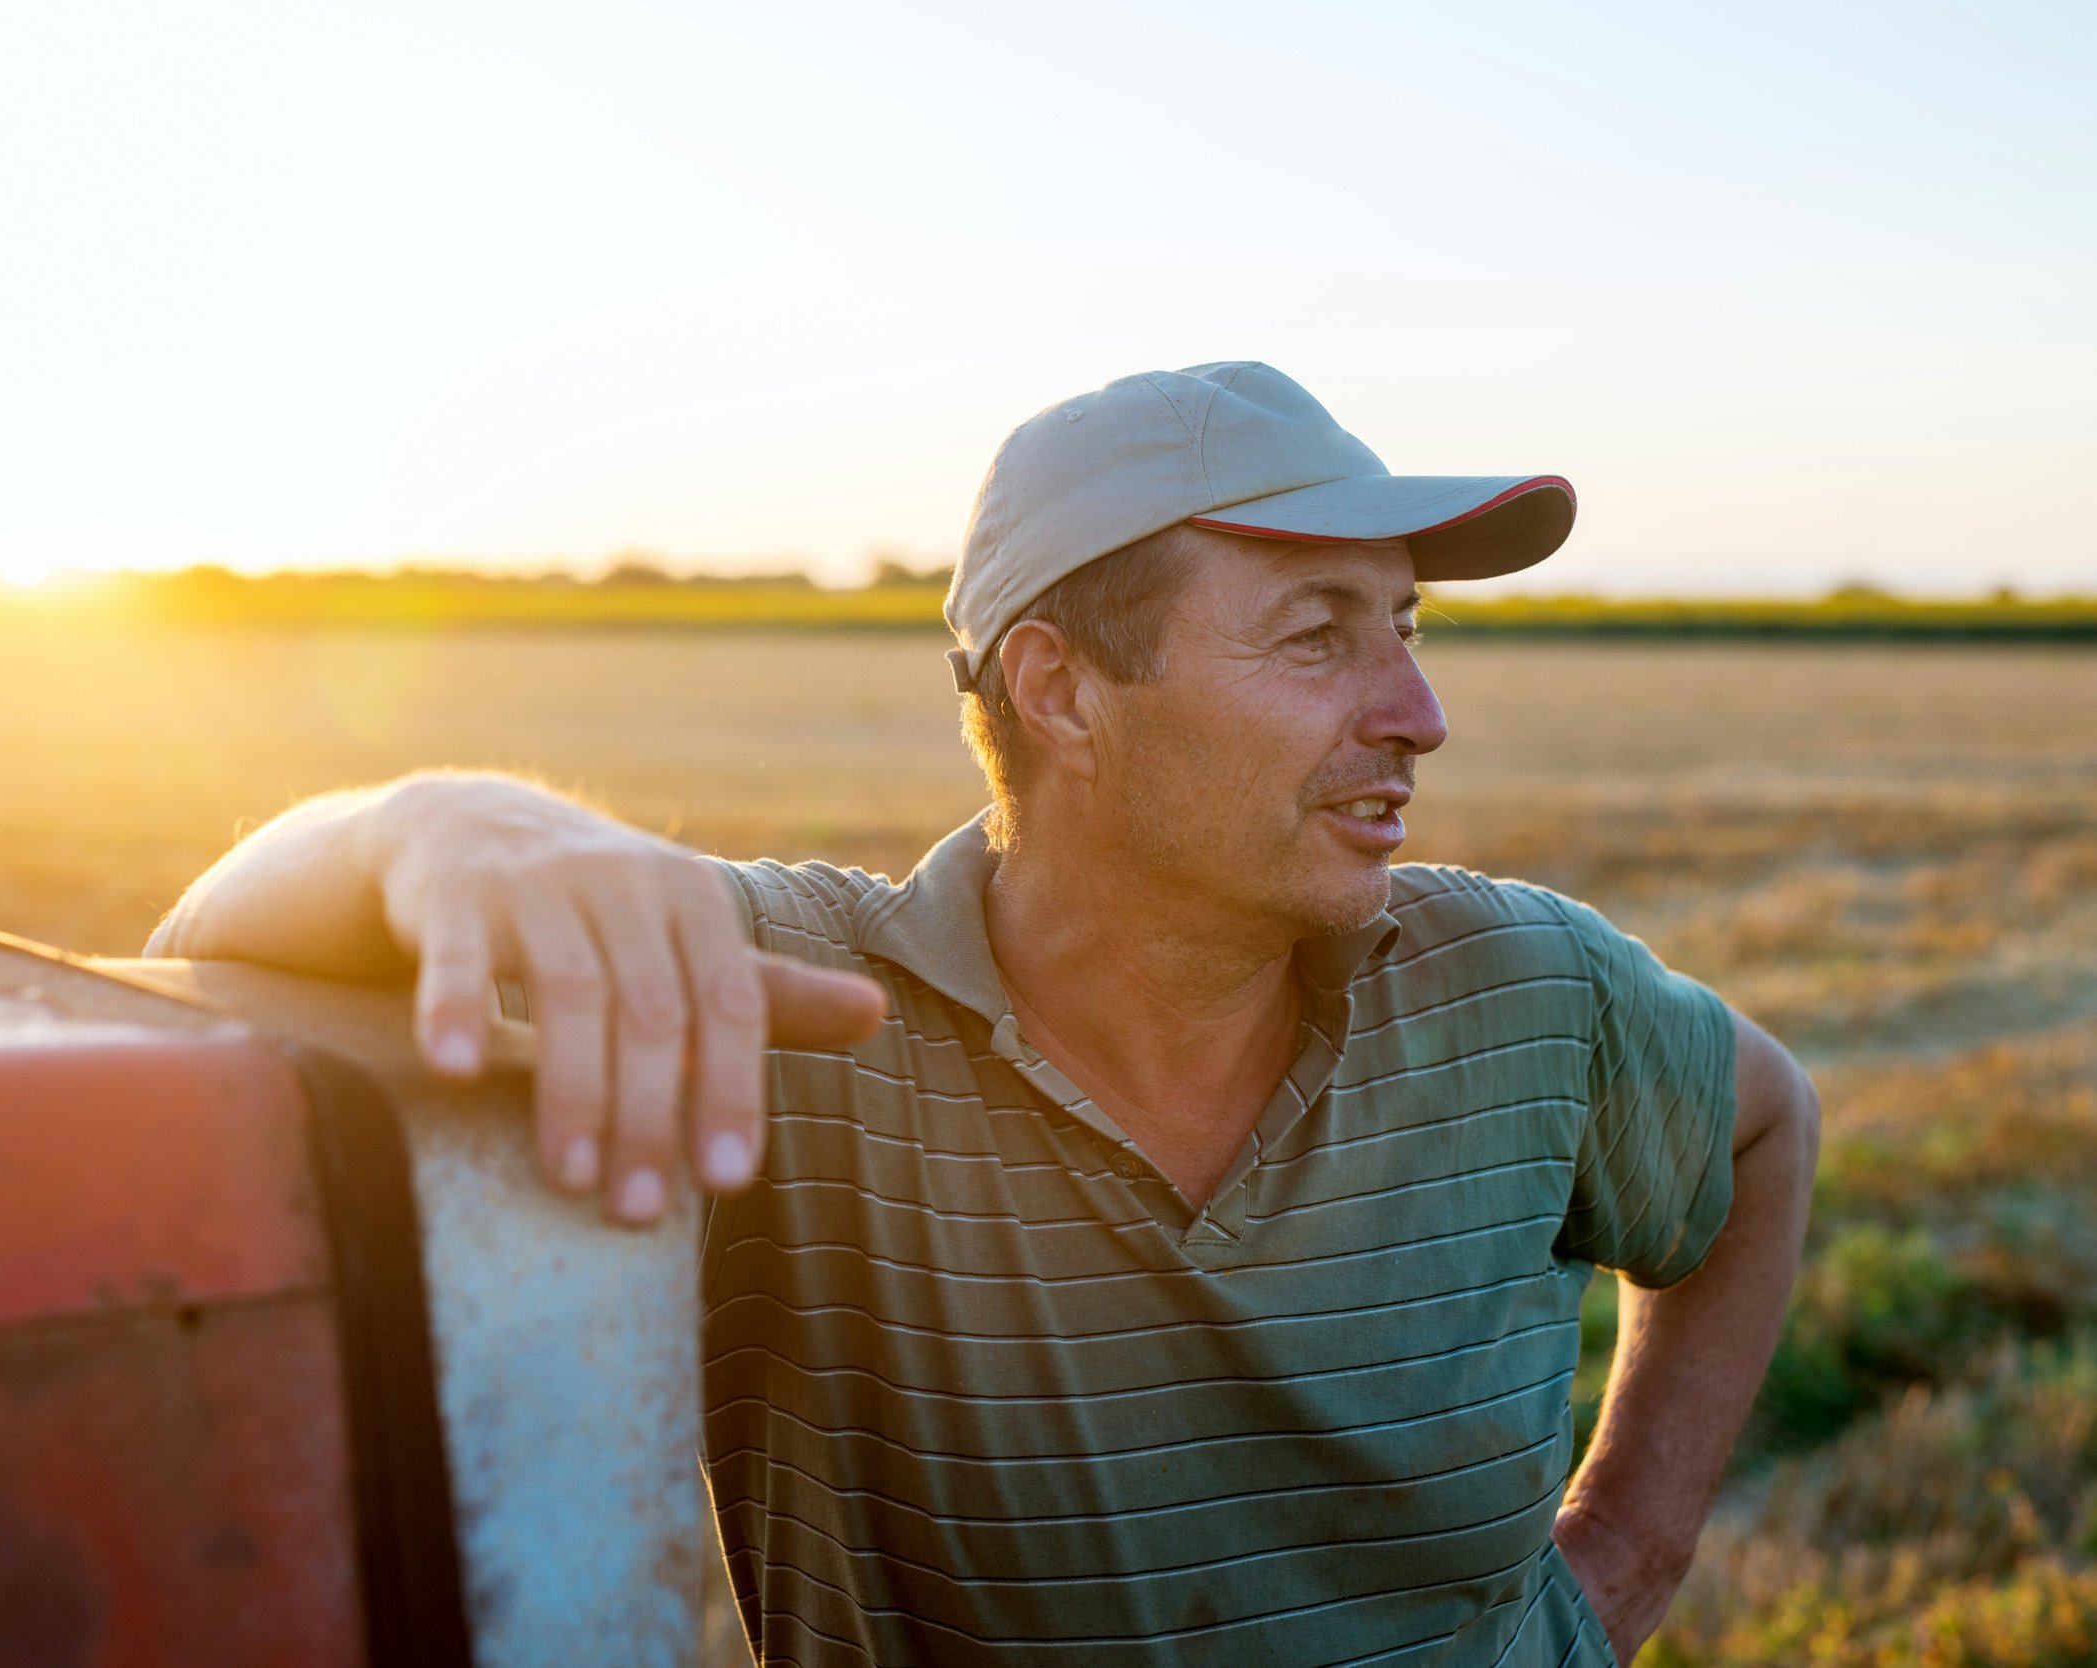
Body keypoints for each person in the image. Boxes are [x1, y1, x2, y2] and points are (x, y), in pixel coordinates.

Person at [151, 362, 1820, 1667]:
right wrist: (439, 826)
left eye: (1406, 630)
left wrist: (1621, 1566)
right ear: (1061, 690)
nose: (1420, 714)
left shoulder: (1525, 989)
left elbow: (1765, 1122)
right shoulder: (800, 1009)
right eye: (1322, 637)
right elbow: (202, 958)